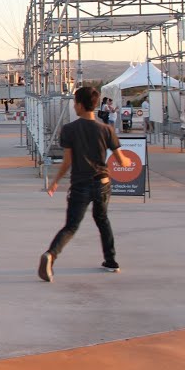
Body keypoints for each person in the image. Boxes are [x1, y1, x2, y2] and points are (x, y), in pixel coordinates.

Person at [38, 85, 132, 282]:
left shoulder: (69, 130)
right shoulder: (106, 129)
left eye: (75, 103)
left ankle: (51, 255)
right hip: (103, 183)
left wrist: (55, 182)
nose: (74, 106)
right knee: (102, 220)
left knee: (71, 226)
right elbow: (121, 160)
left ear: (80, 105)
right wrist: (128, 162)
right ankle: (111, 260)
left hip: (80, 185)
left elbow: (67, 162)